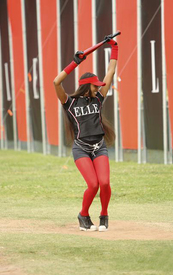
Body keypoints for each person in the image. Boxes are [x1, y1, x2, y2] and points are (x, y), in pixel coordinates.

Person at [53, 36, 118, 232]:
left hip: (99, 147)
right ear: (86, 85)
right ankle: (83, 215)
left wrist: (114, 47)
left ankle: (104, 215)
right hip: (81, 148)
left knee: (105, 182)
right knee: (93, 184)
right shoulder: (69, 102)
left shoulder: (98, 98)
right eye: (95, 84)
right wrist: (75, 62)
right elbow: (56, 82)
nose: (99, 86)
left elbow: (111, 72)